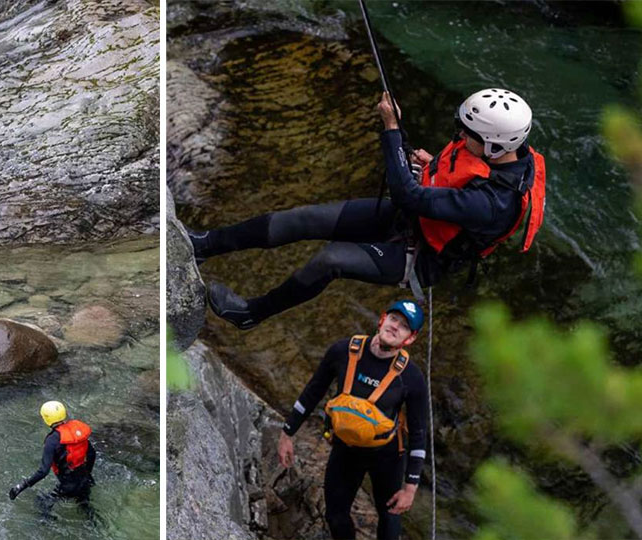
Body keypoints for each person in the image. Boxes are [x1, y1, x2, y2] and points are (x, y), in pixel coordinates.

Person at [191, 88, 546, 329]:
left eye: (470, 135)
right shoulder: (504, 154)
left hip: (418, 256)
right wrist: (432, 164)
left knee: (330, 260)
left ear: (497, 147)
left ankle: (250, 314)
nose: (462, 138)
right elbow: (452, 178)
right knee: (304, 218)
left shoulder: (493, 204)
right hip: (412, 218)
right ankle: (205, 244)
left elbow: (407, 193)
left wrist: (391, 128)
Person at [277, 301, 429, 540]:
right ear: (382, 319)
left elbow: (419, 434)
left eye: (404, 327)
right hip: (345, 450)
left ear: (410, 339)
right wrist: (287, 433)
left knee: (389, 517)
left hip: (387, 457)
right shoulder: (343, 351)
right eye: (393, 319)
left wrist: (410, 487)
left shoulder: (412, 377)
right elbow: (312, 392)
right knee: (335, 516)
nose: (395, 327)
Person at [9, 401, 97, 521]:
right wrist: (88, 474)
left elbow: (43, 471)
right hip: (85, 480)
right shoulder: (76, 432)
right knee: (86, 507)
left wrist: (21, 486)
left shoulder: (52, 440)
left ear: (46, 419)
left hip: (68, 485)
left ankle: (46, 525)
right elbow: (92, 454)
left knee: (41, 502)